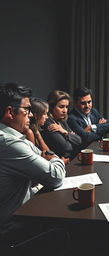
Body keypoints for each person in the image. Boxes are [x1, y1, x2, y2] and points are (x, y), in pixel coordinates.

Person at [0, 83, 66, 234]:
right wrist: (54, 157)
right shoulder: (9, 143)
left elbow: (43, 161)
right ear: (10, 112)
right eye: (27, 109)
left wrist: (46, 160)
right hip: (14, 228)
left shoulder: (12, 137)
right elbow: (55, 176)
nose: (30, 114)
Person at [41, 90, 82, 160]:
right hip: (60, 162)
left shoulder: (61, 121)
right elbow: (66, 147)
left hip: (70, 159)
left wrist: (64, 132)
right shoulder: (48, 123)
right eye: (61, 107)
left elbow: (79, 140)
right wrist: (71, 136)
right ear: (52, 107)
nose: (65, 110)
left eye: (66, 107)